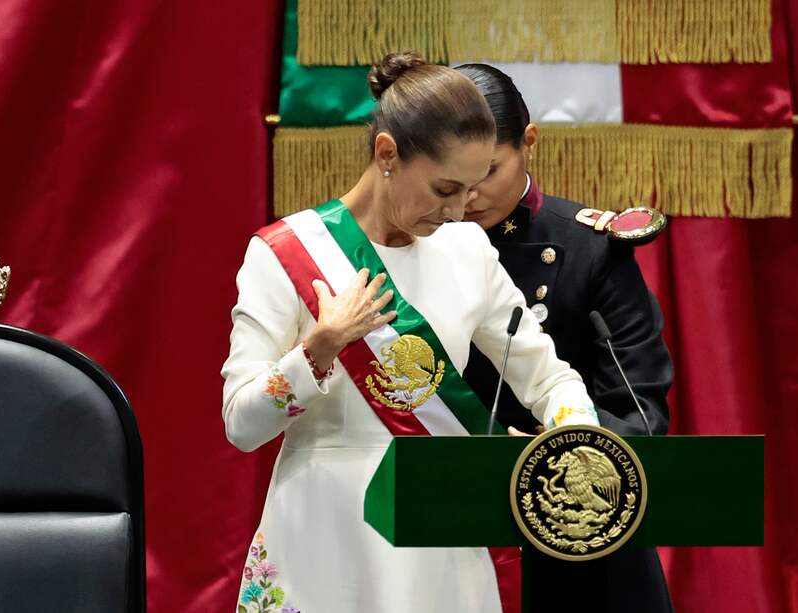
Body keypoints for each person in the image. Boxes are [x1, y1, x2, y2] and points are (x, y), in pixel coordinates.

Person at [222, 52, 599, 613]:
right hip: (325, 534)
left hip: (439, 536)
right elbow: (241, 425)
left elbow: (548, 379)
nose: (457, 211)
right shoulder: (284, 255)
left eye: (470, 191)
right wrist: (320, 347)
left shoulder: (467, 250)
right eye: (444, 188)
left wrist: (574, 441)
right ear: (387, 154)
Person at [457, 63, 675, 613]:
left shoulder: (590, 247)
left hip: (578, 529)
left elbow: (638, 407)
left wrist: (555, 456)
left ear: (528, 142)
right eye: (452, 175)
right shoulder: (416, 250)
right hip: (454, 520)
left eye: (487, 171)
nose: (469, 194)